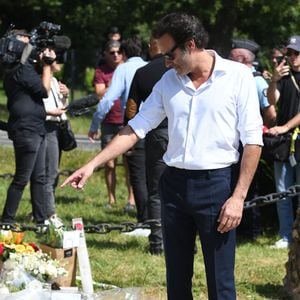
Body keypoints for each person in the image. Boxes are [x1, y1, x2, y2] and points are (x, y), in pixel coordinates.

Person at [62, 13, 262, 299]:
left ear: (190, 45)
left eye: (169, 55)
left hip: (217, 186)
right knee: (177, 279)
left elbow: (253, 141)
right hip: (174, 187)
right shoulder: (169, 81)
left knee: (221, 281)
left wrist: (238, 197)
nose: (166, 63)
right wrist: (92, 164)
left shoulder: (238, 76)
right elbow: (136, 127)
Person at [1, 30, 59, 224]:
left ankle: (40, 220)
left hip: (35, 127)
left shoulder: (20, 69)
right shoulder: (20, 70)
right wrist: (47, 66)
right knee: (21, 179)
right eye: (25, 44)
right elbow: (44, 90)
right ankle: (7, 221)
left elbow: (29, 101)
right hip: (27, 130)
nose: (30, 48)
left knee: (39, 177)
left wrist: (46, 64)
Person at [89, 36, 148, 220]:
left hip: (131, 124)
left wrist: (94, 123)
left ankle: (143, 217)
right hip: (153, 125)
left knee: (134, 169)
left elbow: (108, 99)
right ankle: (148, 213)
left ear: (123, 53)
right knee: (145, 172)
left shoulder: (123, 69)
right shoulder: (150, 67)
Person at [125, 37, 169, 254]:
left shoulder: (143, 72)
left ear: (153, 48)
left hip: (157, 134)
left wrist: (130, 137)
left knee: (156, 191)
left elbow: (131, 107)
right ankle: (185, 241)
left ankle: (158, 244)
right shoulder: (181, 69)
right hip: (184, 134)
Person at [229, 39, 274, 241]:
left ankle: (251, 230)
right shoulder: (231, 78)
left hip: (249, 141)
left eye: (231, 57)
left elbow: (270, 113)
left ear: (241, 58)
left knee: (250, 184)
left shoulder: (256, 81)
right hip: (230, 139)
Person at [266, 35, 300, 249]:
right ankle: (285, 235)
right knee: (282, 190)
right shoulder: (284, 77)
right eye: (289, 53)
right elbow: (271, 100)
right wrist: (274, 80)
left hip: (294, 137)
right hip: (284, 142)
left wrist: (285, 127)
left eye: (296, 53)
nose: (292, 57)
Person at [92, 40, 134, 208]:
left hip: (127, 121)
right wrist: (114, 84)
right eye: (112, 52)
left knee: (129, 163)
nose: (115, 55)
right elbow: (99, 93)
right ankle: (111, 198)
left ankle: (131, 199)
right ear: (105, 54)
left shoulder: (128, 69)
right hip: (109, 122)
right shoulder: (101, 71)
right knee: (109, 163)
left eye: (118, 52)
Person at [43, 60, 69, 221]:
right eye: (57, 59)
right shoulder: (43, 80)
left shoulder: (53, 80)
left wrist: (65, 96)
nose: (60, 62)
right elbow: (39, 106)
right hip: (47, 127)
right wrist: (51, 112)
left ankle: (42, 210)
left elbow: (62, 107)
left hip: (57, 127)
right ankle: (49, 213)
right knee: (50, 172)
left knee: (53, 172)